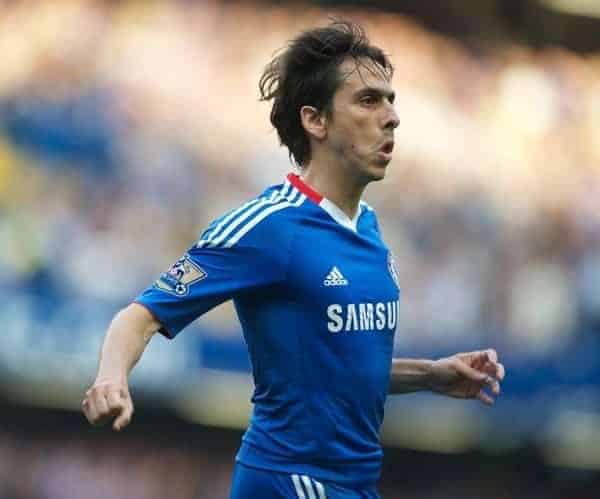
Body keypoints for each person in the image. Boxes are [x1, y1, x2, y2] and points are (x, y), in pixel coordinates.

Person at [82, 20, 505, 499]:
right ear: (315, 120)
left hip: (353, 486)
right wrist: (111, 376)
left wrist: (432, 375)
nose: (391, 116)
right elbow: (139, 316)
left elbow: (333, 369)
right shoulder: (268, 227)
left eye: (391, 100)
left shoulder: (367, 227)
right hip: (289, 482)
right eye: (369, 100)